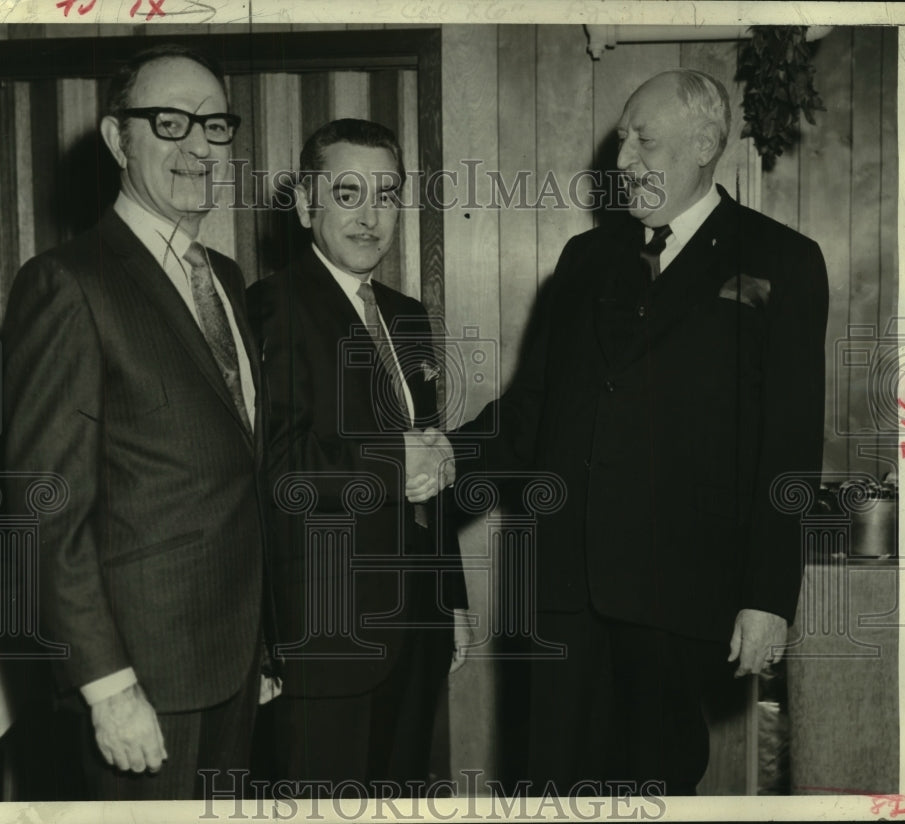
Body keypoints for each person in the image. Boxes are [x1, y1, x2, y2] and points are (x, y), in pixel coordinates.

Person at [451, 69, 829, 795]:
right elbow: (531, 413)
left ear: (705, 144)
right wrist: (444, 461)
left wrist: (770, 596)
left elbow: (790, 445)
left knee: (652, 789)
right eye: (622, 137)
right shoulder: (585, 261)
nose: (622, 158)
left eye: (643, 139)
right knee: (551, 791)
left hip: (677, 597)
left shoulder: (781, 260)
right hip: (565, 593)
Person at [2, 44, 277, 800]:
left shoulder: (222, 276)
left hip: (232, 667)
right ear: (117, 138)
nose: (198, 145)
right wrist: (106, 686)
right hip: (140, 682)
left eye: (216, 126)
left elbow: (235, 471)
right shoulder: (68, 282)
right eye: (169, 122)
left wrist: (262, 647)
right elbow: (42, 506)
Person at [246, 118, 469, 793]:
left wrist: (450, 597)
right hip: (325, 639)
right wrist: (392, 467)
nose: (372, 216)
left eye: (388, 194)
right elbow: (278, 471)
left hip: (417, 629)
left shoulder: (406, 315)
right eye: (348, 194)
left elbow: (430, 465)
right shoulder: (271, 309)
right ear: (308, 205)